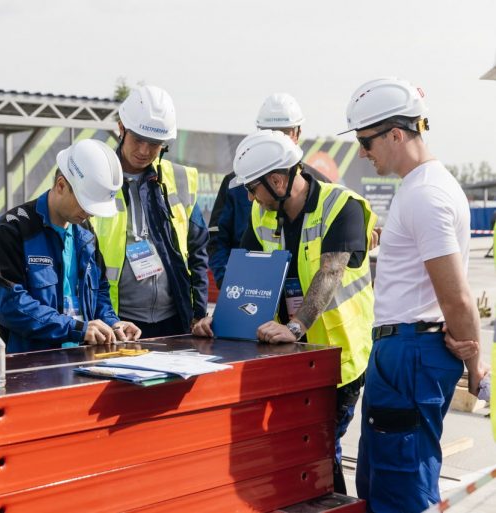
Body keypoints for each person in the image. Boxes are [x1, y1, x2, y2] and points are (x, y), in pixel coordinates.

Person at [192, 129, 376, 494]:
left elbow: (331, 272)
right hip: (291, 356)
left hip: (338, 358)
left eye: (253, 188)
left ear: (278, 180)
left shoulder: (343, 207)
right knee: (299, 447)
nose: (249, 197)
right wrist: (223, 316)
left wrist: (294, 327)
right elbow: (244, 272)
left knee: (321, 446)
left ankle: (332, 501)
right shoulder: (263, 216)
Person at [340, 77, 486, 512]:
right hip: (405, 350)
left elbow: (457, 296)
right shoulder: (424, 188)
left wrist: (476, 364)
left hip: (411, 353)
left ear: (396, 134)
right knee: (380, 482)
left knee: (400, 491)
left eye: (366, 141)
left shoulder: (425, 194)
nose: (363, 152)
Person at [0, 139, 141, 353]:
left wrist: (113, 323)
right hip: (31, 366)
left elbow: (100, 292)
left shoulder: (85, 232)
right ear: (61, 185)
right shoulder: (12, 229)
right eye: (85, 203)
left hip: (82, 359)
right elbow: (10, 306)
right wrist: (76, 328)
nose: (90, 212)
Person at [92, 85, 209, 339]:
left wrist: (198, 313)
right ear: (121, 128)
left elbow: (198, 250)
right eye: (138, 140)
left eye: (154, 144)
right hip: (117, 322)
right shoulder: (96, 177)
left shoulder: (179, 179)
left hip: (175, 318)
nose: (144, 151)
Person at [208, 93, 331, 288]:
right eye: (269, 131)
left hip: (304, 299)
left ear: (298, 133)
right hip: (247, 287)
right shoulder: (235, 182)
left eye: (285, 131)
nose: (277, 137)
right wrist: (229, 284)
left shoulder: (320, 182)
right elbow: (217, 239)